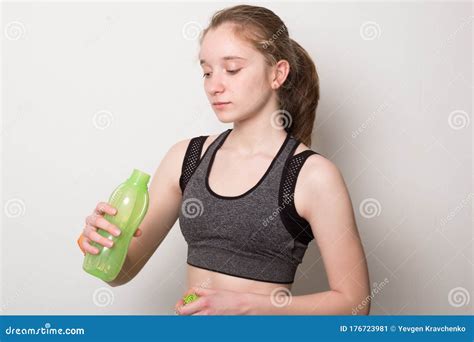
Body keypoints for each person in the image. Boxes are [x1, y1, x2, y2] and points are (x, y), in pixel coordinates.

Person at [77, 4, 370, 315]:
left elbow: (356, 303)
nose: (214, 86)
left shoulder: (311, 176)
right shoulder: (186, 159)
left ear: (277, 73)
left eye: (232, 69)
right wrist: (101, 243)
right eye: (207, 71)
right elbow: (120, 274)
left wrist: (249, 305)